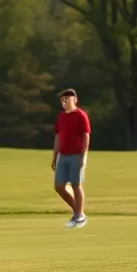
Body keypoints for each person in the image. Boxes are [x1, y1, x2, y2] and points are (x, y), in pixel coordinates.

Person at [52, 87, 90, 228]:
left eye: (67, 98)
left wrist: (84, 156)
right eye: (63, 99)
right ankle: (79, 212)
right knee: (59, 186)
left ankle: (79, 216)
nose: (65, 101)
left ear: (75, 99)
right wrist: (55, 155)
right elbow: (58, 136)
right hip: (63, 154)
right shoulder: (61, 117)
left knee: (75, 184)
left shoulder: (81, 115)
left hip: (76, 154)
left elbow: (86, 135)